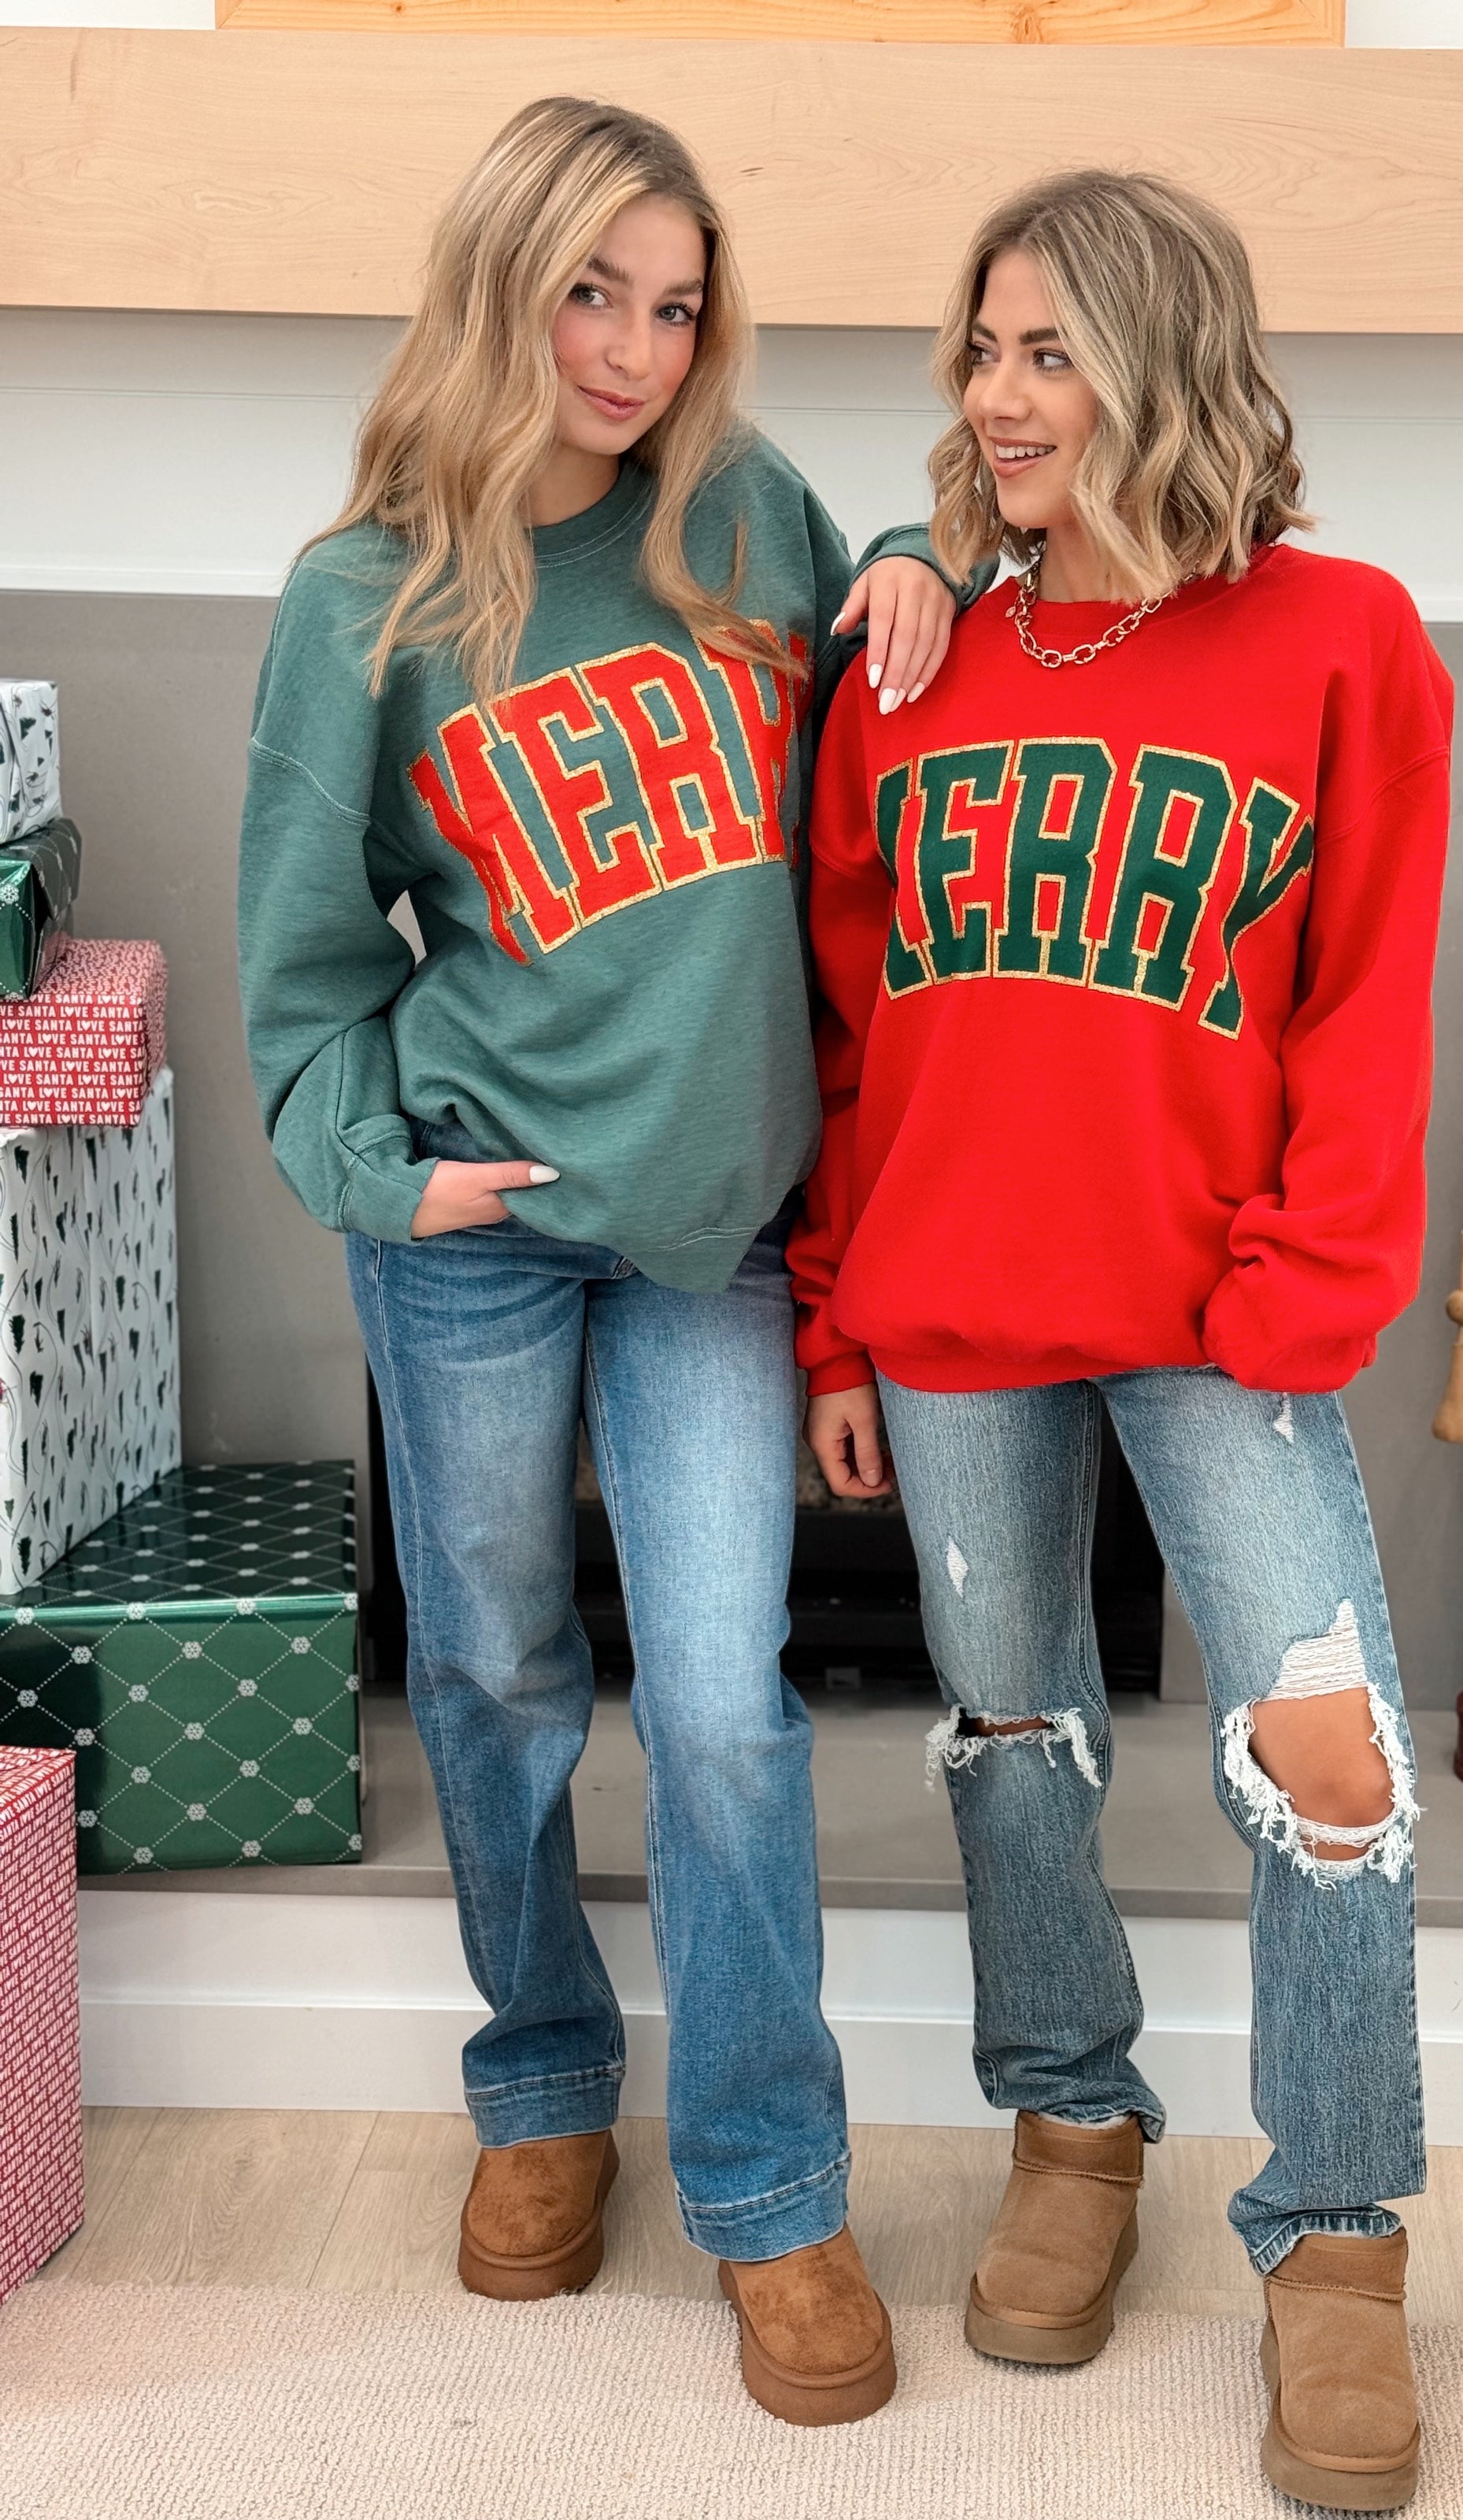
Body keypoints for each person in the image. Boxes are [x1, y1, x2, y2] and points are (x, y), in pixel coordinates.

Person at [239, 94, 972, 2429]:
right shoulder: (363, 599)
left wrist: (917, 560)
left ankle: (772, 2185)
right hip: (480, 1227)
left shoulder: (737, 510)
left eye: (674, 303)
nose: (638, 348)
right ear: (502, 282)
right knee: (493, 1672)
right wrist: (384, 1174)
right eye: (593, 292)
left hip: (714, 1232)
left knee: (731, 1711)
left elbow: (879, 609)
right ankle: (545, 2081)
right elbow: (303, 961)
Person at [796, 170, 1451, 2510]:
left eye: (1051, 350)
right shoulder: (909, 662)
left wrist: (1301, 1290)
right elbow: (845, 1030)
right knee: (1013, 1740)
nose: (999, 397)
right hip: (955, 1308)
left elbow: (1369, 1000)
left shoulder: (1345, 639)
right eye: (981, 350)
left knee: (1332, 1753)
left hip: (1219, 1312)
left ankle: (1341, 2238)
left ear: (1164, 363)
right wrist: (836, 1323)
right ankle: (1072, 2128)